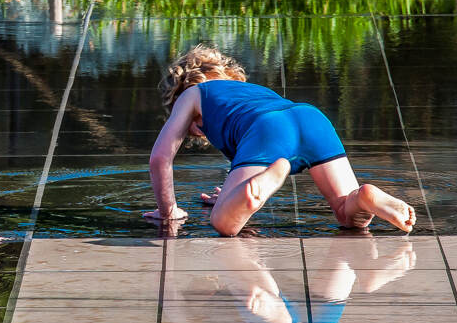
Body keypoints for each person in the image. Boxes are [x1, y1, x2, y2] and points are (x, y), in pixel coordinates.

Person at [143, 44, 416, 236]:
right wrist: (229, 194)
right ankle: (365, 196)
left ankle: (263, 183)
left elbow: (160, 158)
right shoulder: (248, 91)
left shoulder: (192, 95)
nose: (198, 132)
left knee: (224, 223)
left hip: (269, 130)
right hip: (310, 118)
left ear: (178, 95)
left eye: (194, 127)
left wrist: (168, 212)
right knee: (348, 216)